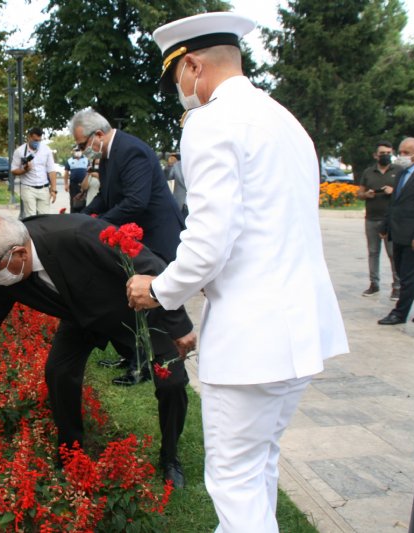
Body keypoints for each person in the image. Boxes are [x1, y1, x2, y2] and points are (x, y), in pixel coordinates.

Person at [129, 13, 349, 532]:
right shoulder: (282, 118)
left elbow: (209, 242)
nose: (180, 92)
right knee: (258, 468)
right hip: (298, 332)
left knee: (233, 481)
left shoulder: (212, 121)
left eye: (177, 79)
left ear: (193, 66)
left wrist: (157, 289)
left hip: (255, 339)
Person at [0, 214, 197, 487]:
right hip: (81, 317)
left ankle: (169, 457)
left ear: (19, 253)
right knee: (59, 373)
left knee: (171, 384)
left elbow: (151, 266)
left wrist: (179, 326)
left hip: (134, 310)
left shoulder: (76, 235)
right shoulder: (4, 270)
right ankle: (70, 453)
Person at [71, 108, 184, 386]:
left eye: (83, 145)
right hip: (141, 237)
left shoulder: (130, 150)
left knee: (149, 302)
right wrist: (80, 220)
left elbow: (135, 202)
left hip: (158, 236)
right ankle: (132, 354)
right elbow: (107, 199)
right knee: (127, 296)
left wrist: (97, 227)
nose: (83, 151)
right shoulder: (109, 155)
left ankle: (146, 365)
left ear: (98, 135)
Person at [378, 137, 414, 325]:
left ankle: (399, 313)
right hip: (398, 233)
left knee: (408, 277)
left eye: (407, 152)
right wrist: (385, 226)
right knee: (406, 275)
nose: (402, 156)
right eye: (401, 151)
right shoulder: (401, 173)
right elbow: (394, 203)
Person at [357, 141, 403, 298]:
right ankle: (374, 284)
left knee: (393, 254)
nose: (386, 156)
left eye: (388, 153)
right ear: (376, 155)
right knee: (373, 252)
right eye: (382, 153)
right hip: (371, 219)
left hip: (391, 220)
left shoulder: (399, 171)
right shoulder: (368, 172)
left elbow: (407, 192)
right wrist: (366, 195)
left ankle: (397, 286)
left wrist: (394, 191)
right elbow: (359, 193)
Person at [11, 127, 57, 217]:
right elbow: (13, 171)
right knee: (31, 217)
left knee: (44, 218)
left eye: (39, 140)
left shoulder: (46, 150)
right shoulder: (19, 151)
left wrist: (54, 190)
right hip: (28, 188)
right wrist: (24, 170)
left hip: (44, 188)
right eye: (35, 140)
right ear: (29, 137)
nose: (37, 142)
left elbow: (51, 170)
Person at [63, 148, 89, 213]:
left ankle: (84, 214)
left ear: (82, 151)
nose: (78, 152)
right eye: (76, 150)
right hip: (73, 185)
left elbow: (89, 172)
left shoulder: (86, 160)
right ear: (73, 151)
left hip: (85, 185)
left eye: (79, 150)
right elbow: (66, 173)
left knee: (85, 201)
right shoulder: (69, 161)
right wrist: (66, 184)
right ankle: (73, 215)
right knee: (73, 201)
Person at [168, 153, 188, 220]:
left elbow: (170, 177)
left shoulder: (176, 165)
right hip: (195, 203)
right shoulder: (199, 164)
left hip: (180, 202)